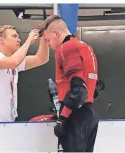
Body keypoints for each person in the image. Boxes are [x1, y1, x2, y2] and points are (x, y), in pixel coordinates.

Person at [39, 15, 100, 152]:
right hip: (89, 113)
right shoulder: (86, 47)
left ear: (56, 33)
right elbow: (92, 86)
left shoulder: (65, 49)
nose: (48, 44)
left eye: (48, 40)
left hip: (75, 114)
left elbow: (78, 87)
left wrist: (63, 117)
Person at [0, 25, 49, 122]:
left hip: (9, 120)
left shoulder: (13, 61)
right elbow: (14, 62)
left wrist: (43, 37)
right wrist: (28, 41)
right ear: (1, 40)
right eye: (14, 36)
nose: (19, 40)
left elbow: (41, 59)